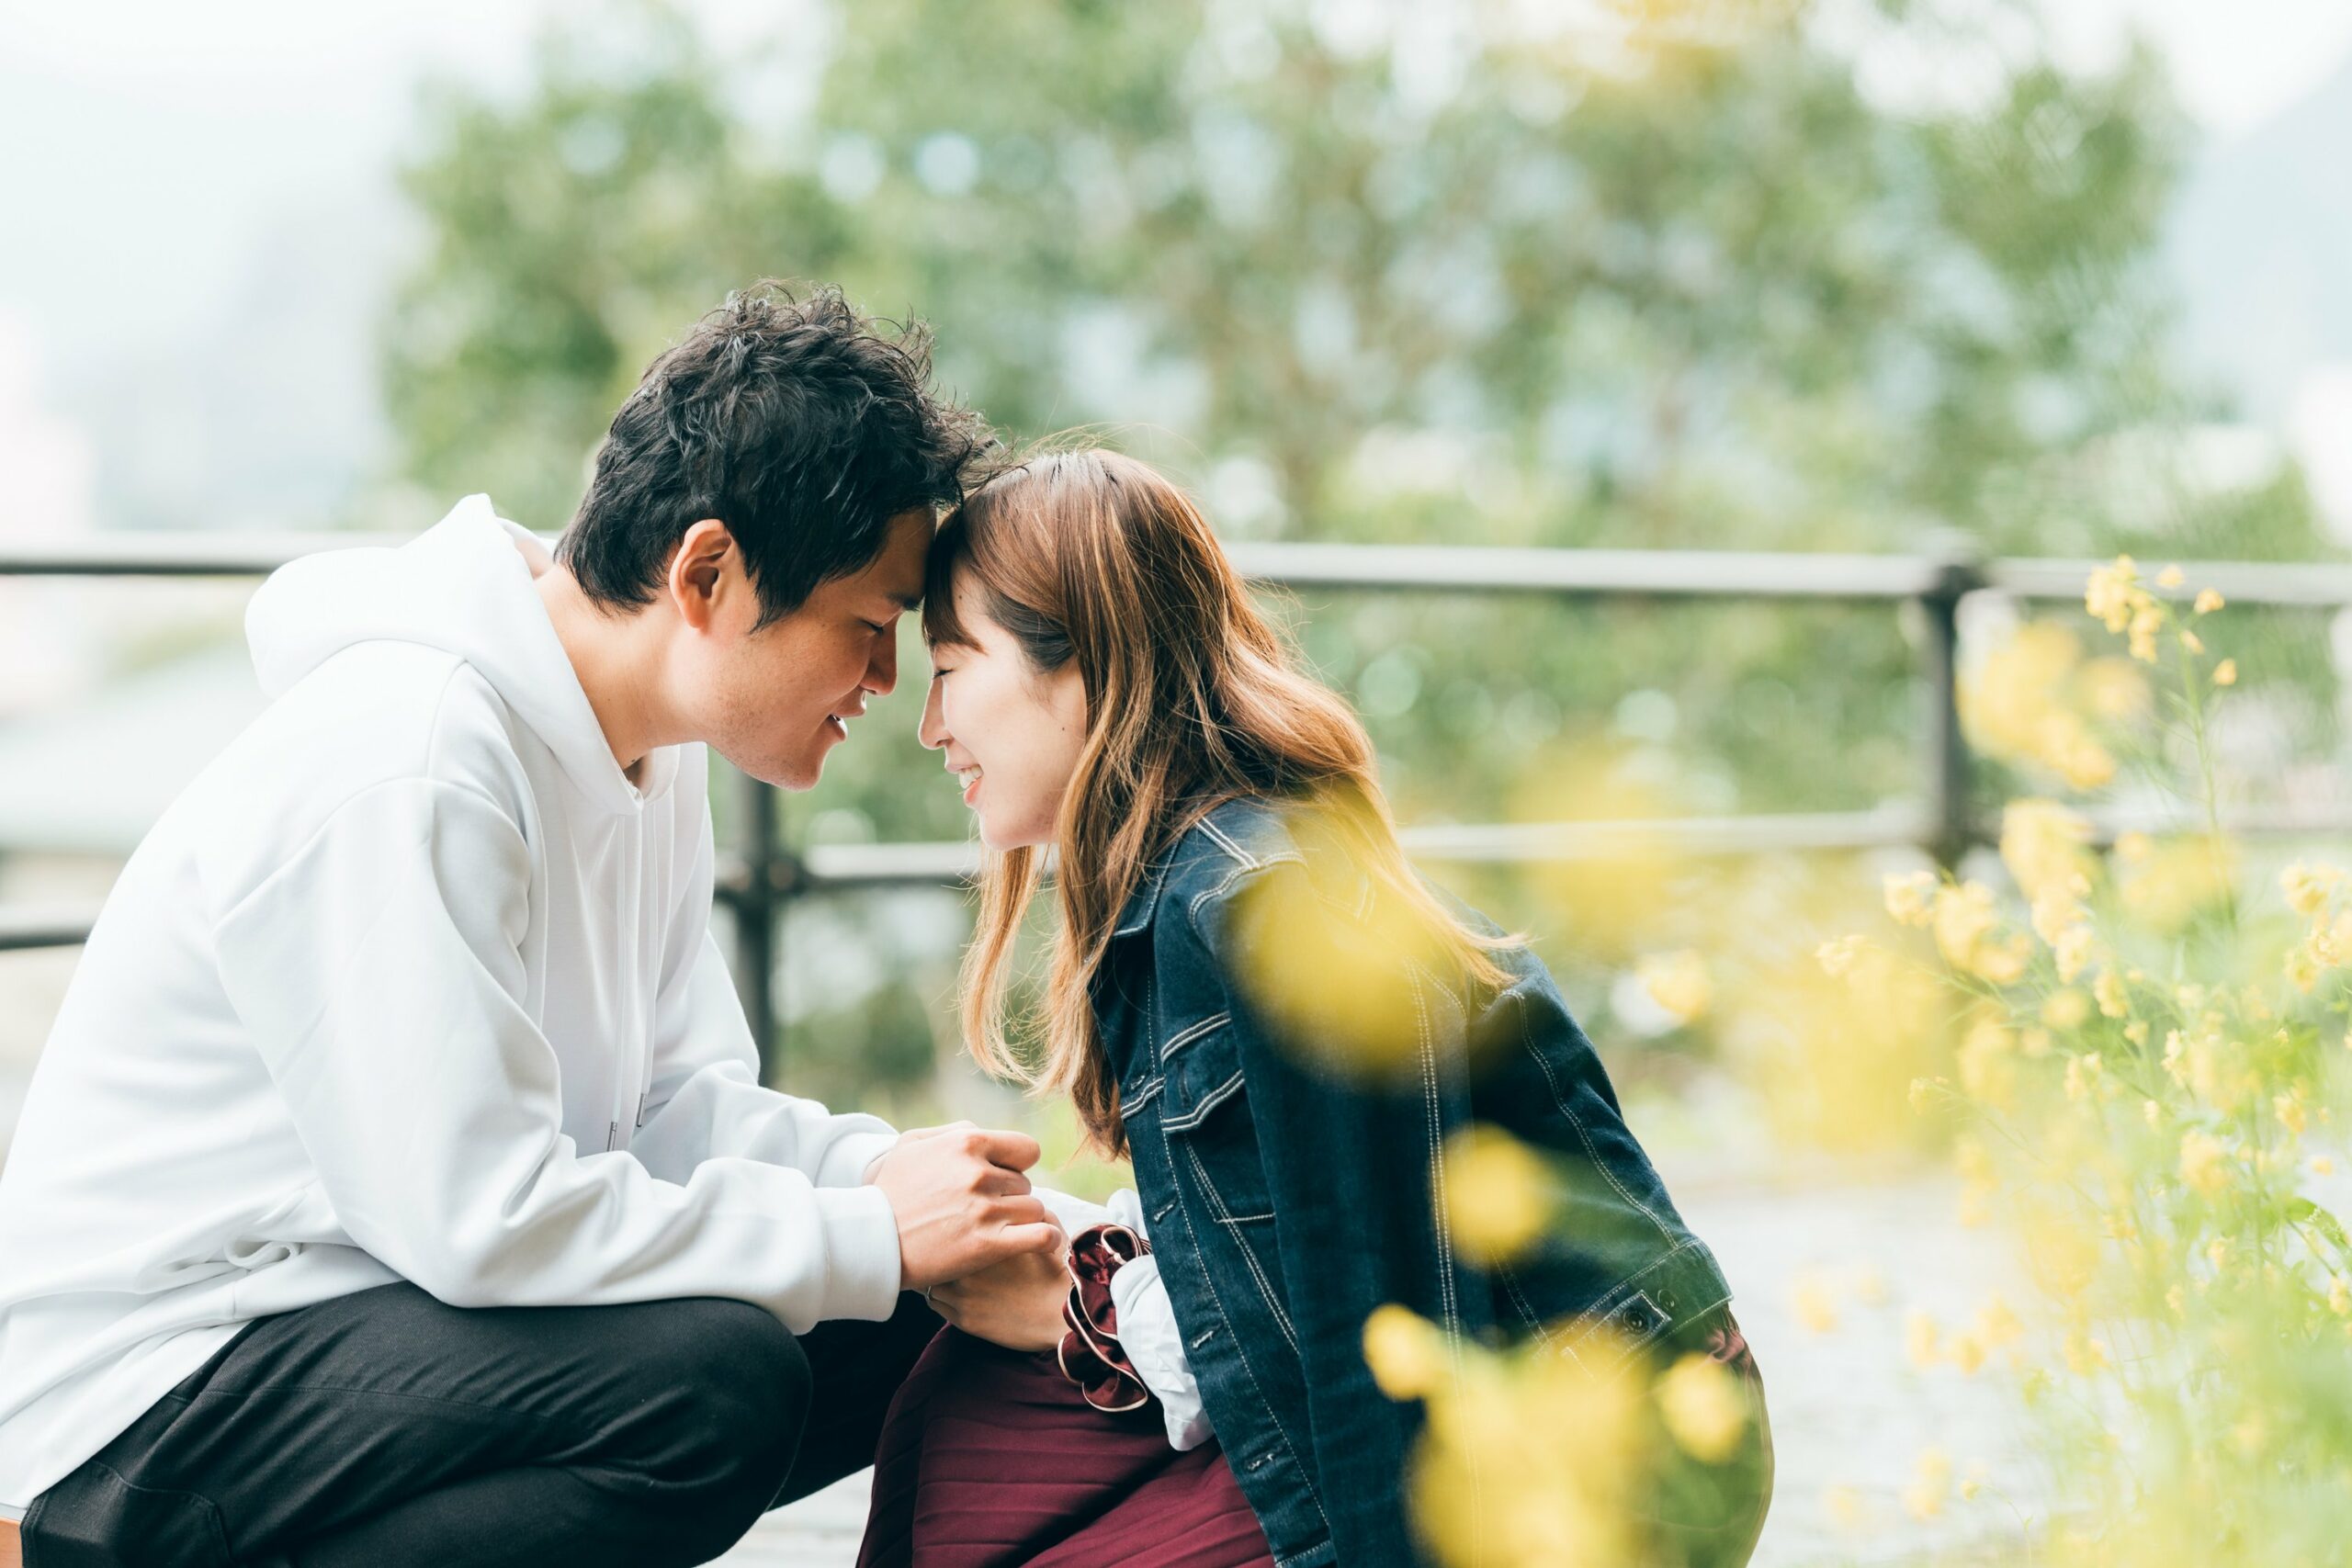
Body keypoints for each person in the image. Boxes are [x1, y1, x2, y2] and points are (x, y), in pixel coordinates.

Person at [0, 284, 1069, 1568]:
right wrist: (859, 1232)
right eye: (871, 623)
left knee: (905, 1308)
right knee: (712, 1380)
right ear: (709, 573)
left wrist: (947, 1198)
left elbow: (674, 1109)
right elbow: (480, 1215)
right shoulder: (413, 754)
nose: (889, 682)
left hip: (369, 1320)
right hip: (145, 1398)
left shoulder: (650, 759)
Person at [859, 447, 1774, 1568]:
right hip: (1501, 1396)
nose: (929, 726)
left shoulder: (1258, 906)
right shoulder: (1193, 887)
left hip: (1608, 1448)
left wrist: (1082, 1314)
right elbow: (1280, 1244)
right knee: (962, 1428)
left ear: (1081, 661)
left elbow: (1380, 1335)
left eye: (950, 667)